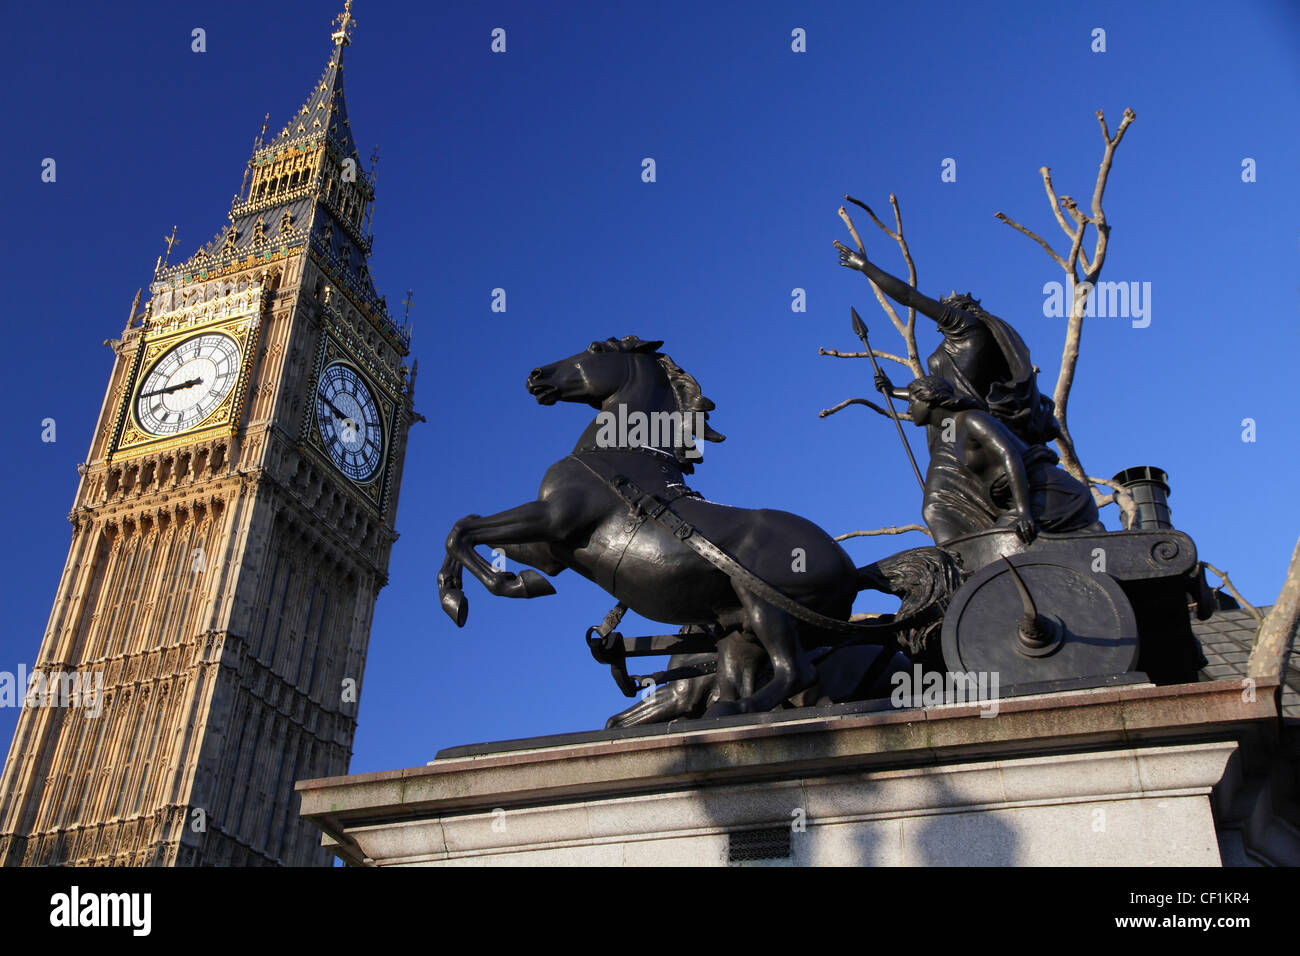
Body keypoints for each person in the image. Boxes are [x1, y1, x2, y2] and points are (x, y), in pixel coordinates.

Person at [903, 376, 1102, 544]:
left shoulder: (972, 419)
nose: (909, 410)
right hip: (1025, 500)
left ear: (928, 400)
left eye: (912, 402)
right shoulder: (953, 431)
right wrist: (890, 389)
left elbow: (1010, 455)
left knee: (999, 543)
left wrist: (1024, 512)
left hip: (1053, 495)